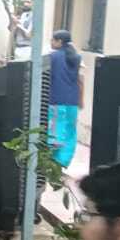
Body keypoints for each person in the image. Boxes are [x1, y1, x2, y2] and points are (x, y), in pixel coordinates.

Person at [48, 30, 83, 168]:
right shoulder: (77, 57)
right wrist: (81, 99)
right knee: (70, 132)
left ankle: (52, 164)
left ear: (59, 42)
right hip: (72, 101)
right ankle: (63, 162)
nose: (51, 42)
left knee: (55, 132)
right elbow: (80, 79)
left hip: (57, 99)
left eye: (53, 40)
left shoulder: (53, 57)